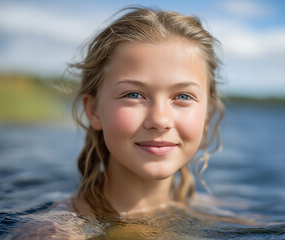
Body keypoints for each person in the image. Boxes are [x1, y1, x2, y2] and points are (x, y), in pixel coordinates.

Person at [69, 6, 224, 220]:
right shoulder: (58, 231)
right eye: (133, 94)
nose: (160, 120)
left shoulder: (218, 213)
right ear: (94, 110)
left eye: (184, 96)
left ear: (206, 112)